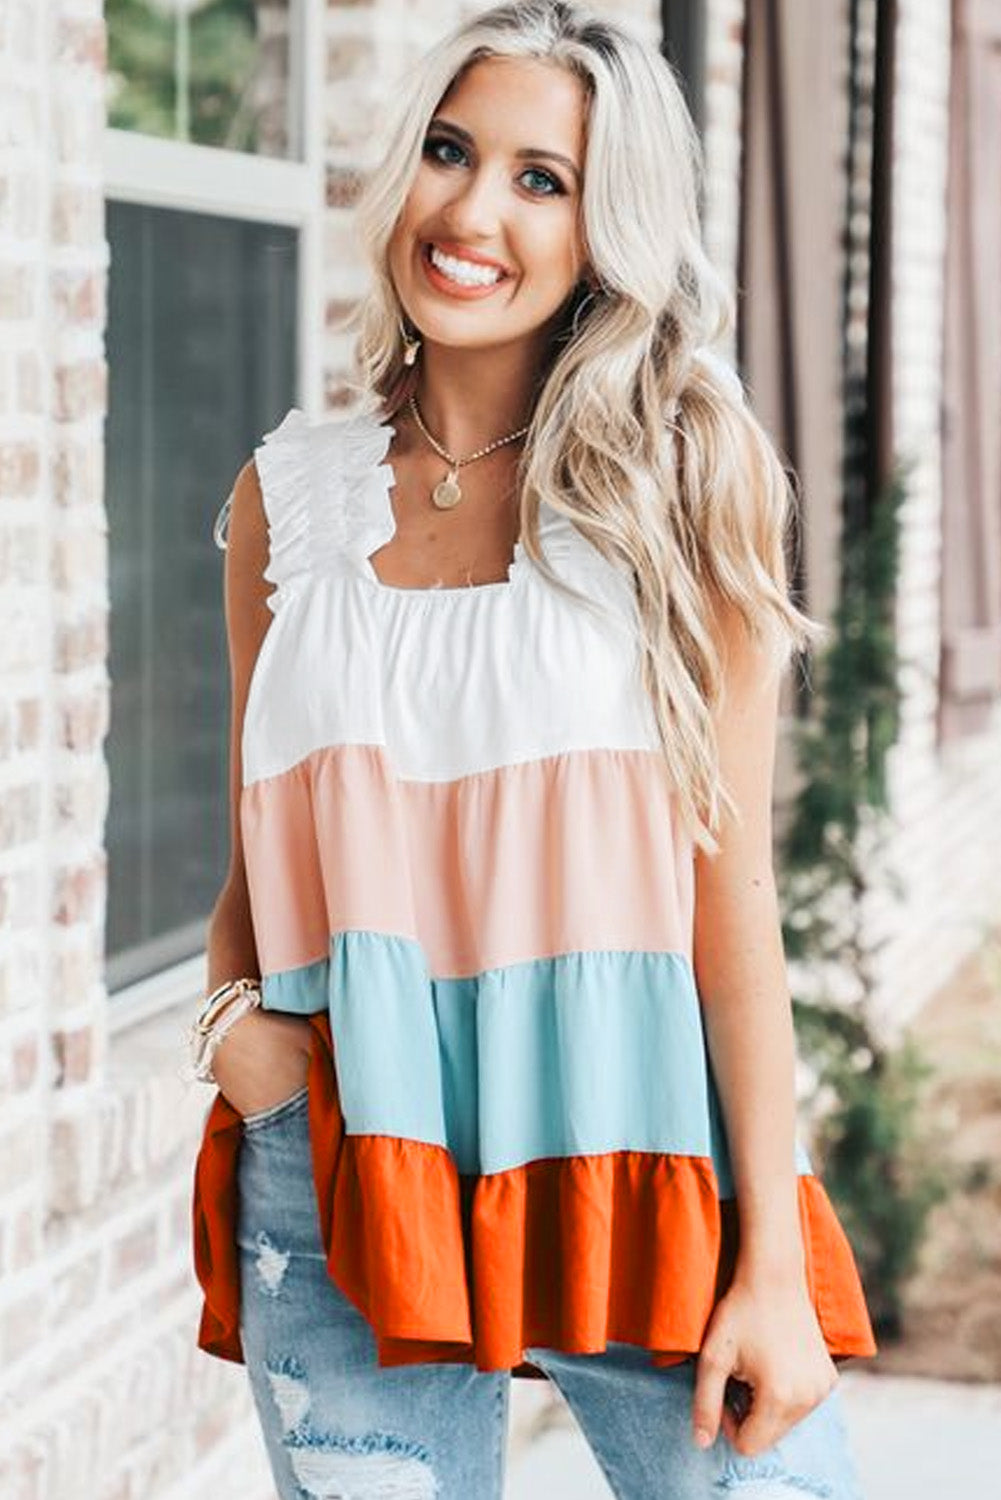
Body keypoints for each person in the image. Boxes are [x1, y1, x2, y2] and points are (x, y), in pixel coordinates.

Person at [189, 4, 877, 1497]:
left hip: (636, 1159)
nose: (470, 211)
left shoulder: (682, 484)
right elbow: (257, 838)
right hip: (344, 1158)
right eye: (448, 151)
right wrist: (239, 1049)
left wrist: (771, 1252)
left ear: (606, 224)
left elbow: (727, 887)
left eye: (538, 178)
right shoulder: (284, 500)